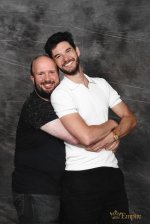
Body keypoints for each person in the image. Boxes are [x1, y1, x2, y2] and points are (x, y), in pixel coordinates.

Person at [44, 32, 137, 224]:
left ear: (77, 51)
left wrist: (116, 135)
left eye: (68, 51)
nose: (65, 58)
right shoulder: (60, 94)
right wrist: (112, 124)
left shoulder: (101, 84)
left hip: (112, 174)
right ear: (55, 63)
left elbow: (130, 118)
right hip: (80, 179)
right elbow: (86, 137)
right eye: (58, 56)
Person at [12, 55, 80, 224]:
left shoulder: (62, 103)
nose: (48, 78)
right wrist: (112, 132)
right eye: (41, 74)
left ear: (59, 75)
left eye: (51, 72)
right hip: (36, 192)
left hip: (59, 190)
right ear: (32, 78)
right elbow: (79, 138)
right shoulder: (35, 106)